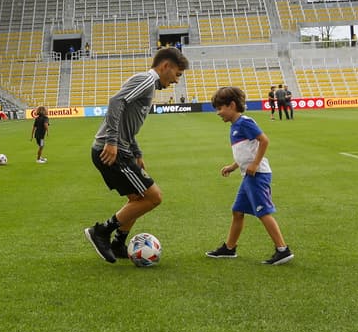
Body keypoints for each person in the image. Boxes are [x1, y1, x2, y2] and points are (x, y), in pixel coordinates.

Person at [84, 46, 189, 264]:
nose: (176, 81)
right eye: (177, 74)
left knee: (136, 198)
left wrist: (137, 152)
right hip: (112, 150)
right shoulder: (146, 80)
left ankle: (118, 243)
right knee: (154, 197)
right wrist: (112, 141)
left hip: (121, 149)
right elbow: (116, 102)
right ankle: (101, 232)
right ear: (165, 66)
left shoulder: (149, 86)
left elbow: (128, 124)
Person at [205, 86, 293, 265]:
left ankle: (282, 249)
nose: (218, 113)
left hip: (257, 175)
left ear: (231, 105)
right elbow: (246, 152)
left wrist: (254, 164)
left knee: (263, 212)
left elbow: (264, 140)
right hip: (248, 175)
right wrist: (233, 166)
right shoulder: (235, 126)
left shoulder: (245, 122)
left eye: (220, 108)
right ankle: (229, 248)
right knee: (237, 212)